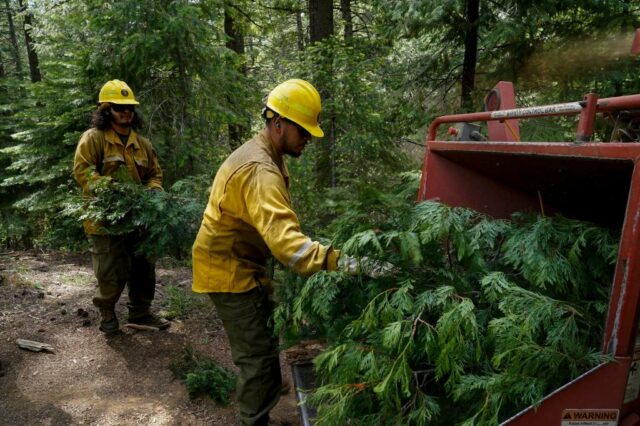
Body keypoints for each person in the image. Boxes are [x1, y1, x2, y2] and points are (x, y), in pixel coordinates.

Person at [192, 78, 348, 425]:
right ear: (277, 123)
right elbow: (288, 247)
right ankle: (253, 419)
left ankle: (259, 412)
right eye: (303, 131)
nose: (308, 138)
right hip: (228, 269)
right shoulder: (261, 169)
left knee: (263, 348)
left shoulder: (269, 154)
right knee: (258, 362)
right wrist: (341, 260)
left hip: (243, 262)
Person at [73, 79, 170, 334]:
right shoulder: (93, 139)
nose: (125, 112)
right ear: (106, 110)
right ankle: (107, 312)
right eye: (118, 107)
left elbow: (155, 175)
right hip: (104, 221)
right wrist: (112, 190)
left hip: (138, 219)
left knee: (143, 268)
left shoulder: (143, 144)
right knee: (110, 272)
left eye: (129, 108)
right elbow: (83, 171)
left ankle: (141, 313)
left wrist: (152, 194)